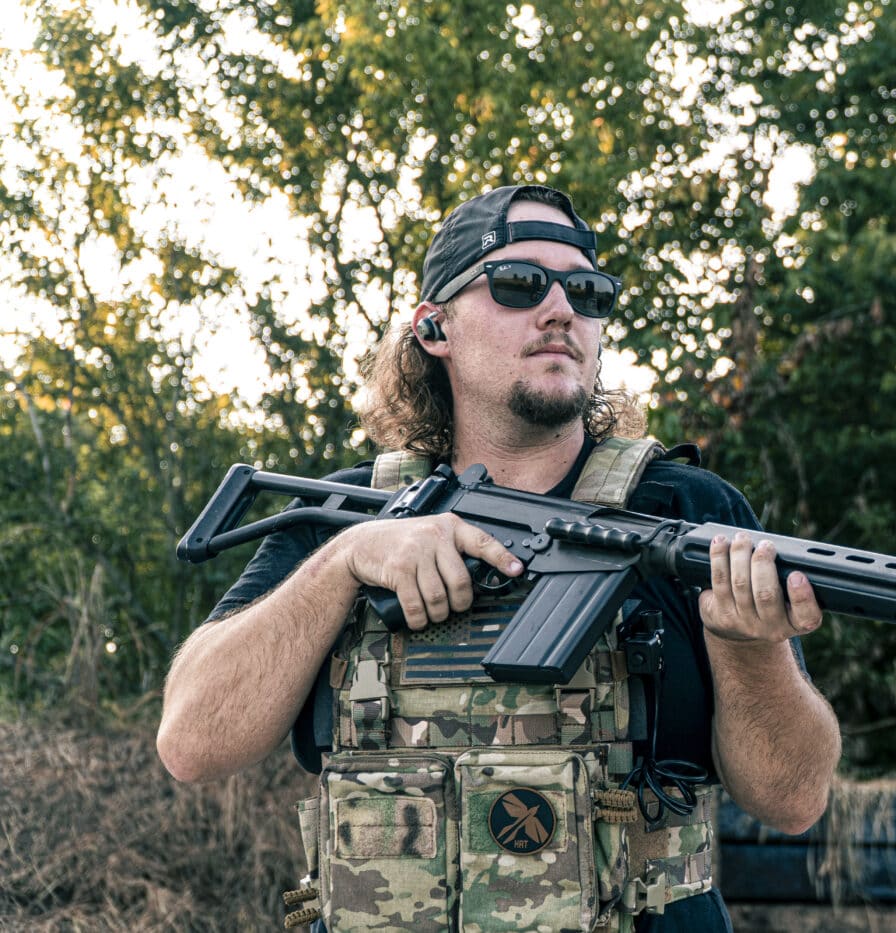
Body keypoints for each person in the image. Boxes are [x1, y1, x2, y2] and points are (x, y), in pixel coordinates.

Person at [157, 184, 841, 932]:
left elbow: (793, 799)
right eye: (518, 285)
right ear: (433, 328)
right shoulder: (348, 517)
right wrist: (346, 562)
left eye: (587, 291)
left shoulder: (687, 512)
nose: (561, 310)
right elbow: (191, 741)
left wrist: (751, 648)